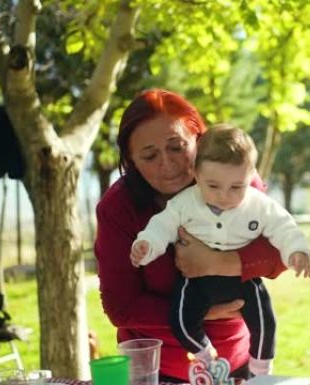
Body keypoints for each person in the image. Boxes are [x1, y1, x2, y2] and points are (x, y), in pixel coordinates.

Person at [94, 89, 288, 382]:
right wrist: (200, 312)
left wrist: (217, 264)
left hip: (238, 361)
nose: (168, 165)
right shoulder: (117, 208)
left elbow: (278, 254)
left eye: (177, 147)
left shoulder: (233, 182)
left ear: (199, 139)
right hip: (156, 369)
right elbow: (120, 307)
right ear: (131, 161)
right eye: (149, 155)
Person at [130, 125, 310, 376]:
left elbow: (283, 226)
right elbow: (162, 226)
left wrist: (296, 251)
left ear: (251, 177)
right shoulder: (185, 202)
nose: (224, 196)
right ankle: (206, 355)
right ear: (195, 173)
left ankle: (261, 371)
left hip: (243, 280)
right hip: (195, 282)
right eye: (213, 186)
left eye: (236, 187)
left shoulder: (258, 205)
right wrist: (147, 245)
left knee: (265, 321)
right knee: (181, 321)